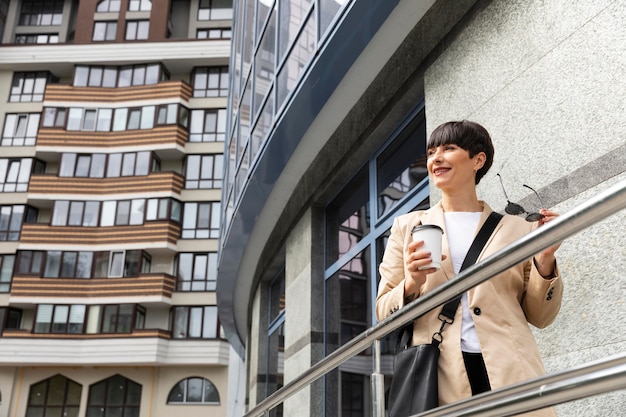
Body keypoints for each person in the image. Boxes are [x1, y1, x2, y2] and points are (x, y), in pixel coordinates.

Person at [376, 120, 563, 416]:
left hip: (510, 369)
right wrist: (411, 283)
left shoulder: (516, 229)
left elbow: (541, 316)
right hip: (440, 376)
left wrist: (545, 259)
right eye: (431, 152)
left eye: (449, 148)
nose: (435, 158)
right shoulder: (408, 226)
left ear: (478, 160)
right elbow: (383, 313)